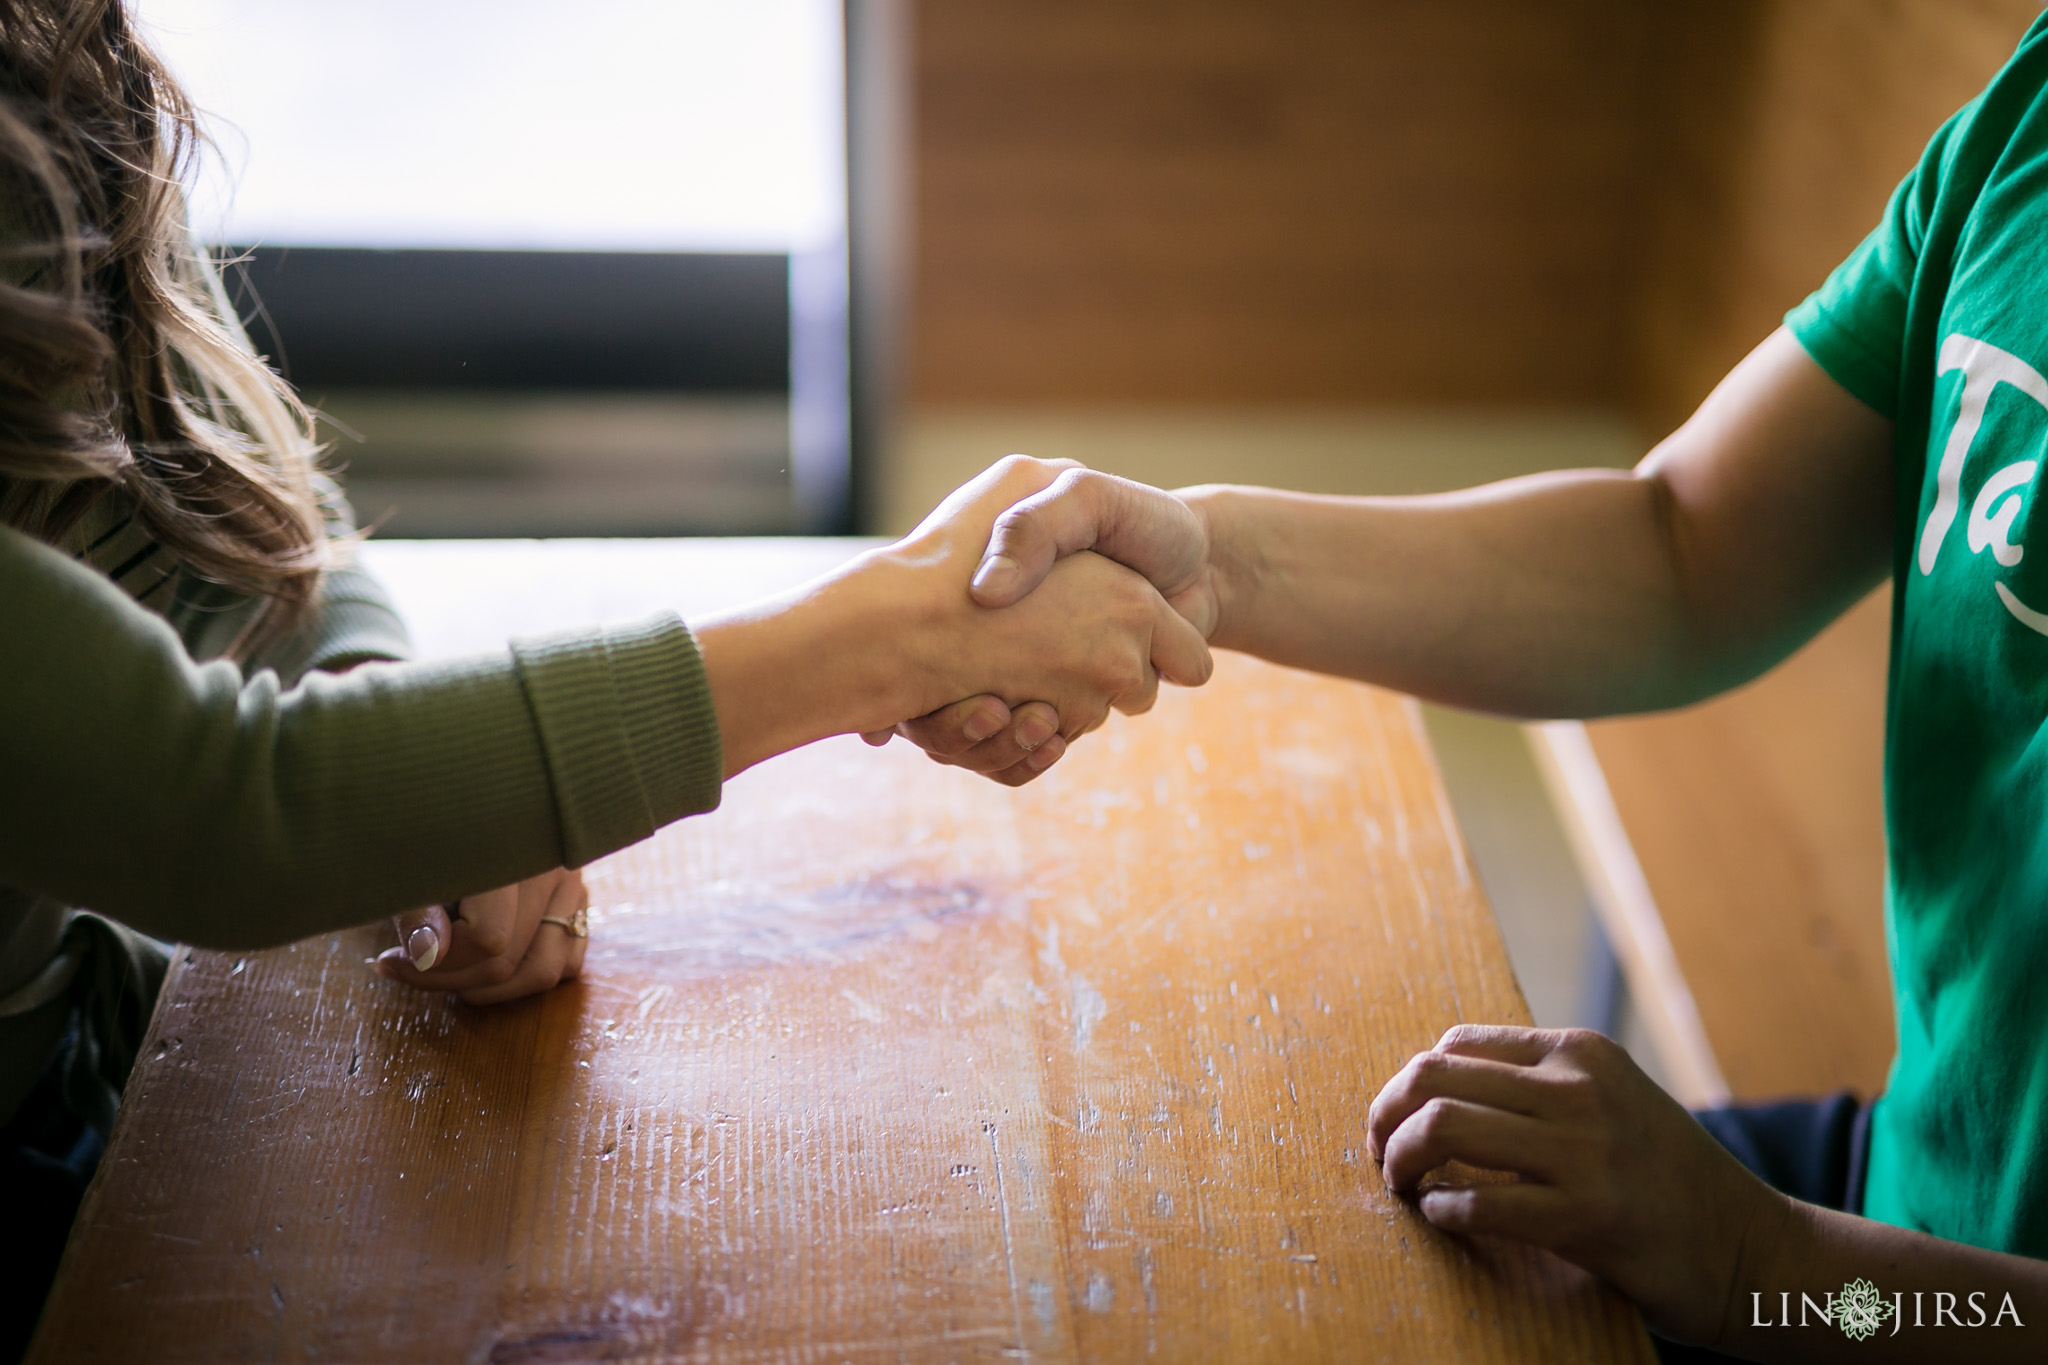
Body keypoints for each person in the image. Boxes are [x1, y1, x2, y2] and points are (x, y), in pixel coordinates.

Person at [0, 2, 1209, 1354]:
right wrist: (888, 636)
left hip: (93, 1087)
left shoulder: (53, 67)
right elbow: (217, 809)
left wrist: (415, 795)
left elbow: (247, 527)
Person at [881, 15, 2048, 1361]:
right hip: (1905, 1175)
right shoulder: (2024, 112)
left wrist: (1745, 1259)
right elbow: (1686, 548)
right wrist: (1209, 562)